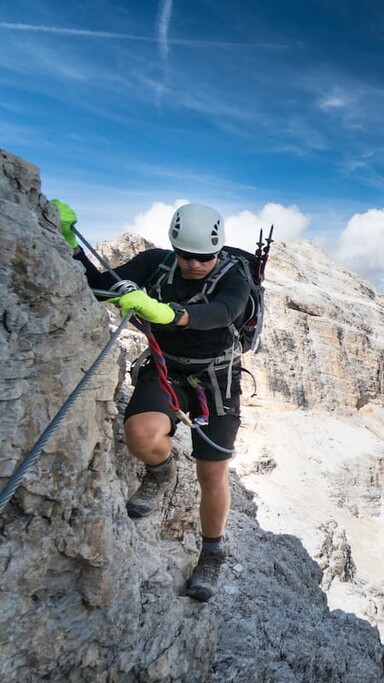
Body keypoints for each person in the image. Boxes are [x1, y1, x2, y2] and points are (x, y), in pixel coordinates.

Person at [53, 199, 248, 602]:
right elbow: (103, 286)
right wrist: (71, 246)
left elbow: (222, 312)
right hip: (167, 369)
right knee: (141, 436)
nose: (195, 264)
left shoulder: (236, 276)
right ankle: (160, 472)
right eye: (187, 256)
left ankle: (212, 552)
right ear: (174, 247)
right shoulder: (156, 263)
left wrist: (168, 314)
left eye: (205, 257)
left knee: (212, 474)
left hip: (217, 380)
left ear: (219, 251)